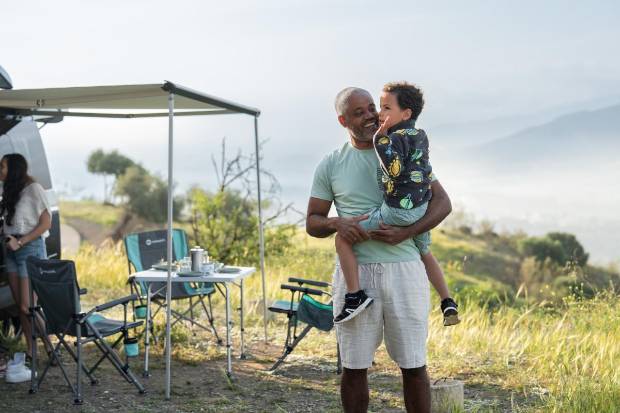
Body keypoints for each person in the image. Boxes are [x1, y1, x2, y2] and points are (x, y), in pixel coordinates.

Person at [307, 87, 452, 412]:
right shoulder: (331, 164)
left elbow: (443, 203)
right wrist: (336, 224)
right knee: (354, 366)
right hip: (356, 274)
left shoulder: (398, 147)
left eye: (372, 107)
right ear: (343, 120)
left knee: (414, 365)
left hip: (406, 270)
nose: (370, 115)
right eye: (359, 112)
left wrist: (407, 232)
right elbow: (312, 221)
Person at [333, 82, 459, 326]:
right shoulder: (419, 136)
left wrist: (380, 140)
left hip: (398, 212)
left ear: (406, 113)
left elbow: (394, 169)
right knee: (425, 252)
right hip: (420, 208)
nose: (379, 114)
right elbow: (423, 170)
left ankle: (354, 296)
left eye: (385, 108)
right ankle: (447, 300)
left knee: (342, 238)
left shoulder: (394, 139)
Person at [0, 153, 51, 364]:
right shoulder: (11, 191)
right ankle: (31, 351)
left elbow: (46, 223)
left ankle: (50, 347)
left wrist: (21, 242)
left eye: (2, 166)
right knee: (20, 305)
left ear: (14, 169)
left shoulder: (34, 189)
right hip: (10, 250)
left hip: (29, 249)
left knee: (27, 306)